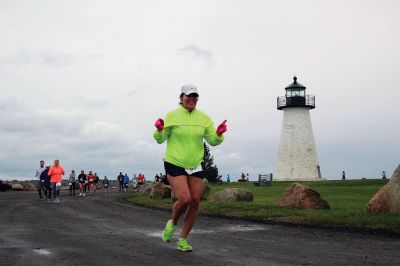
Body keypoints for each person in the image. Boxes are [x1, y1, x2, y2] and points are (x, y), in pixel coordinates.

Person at [153, 84, 227, 252]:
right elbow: (160, 138)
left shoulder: (204, 118)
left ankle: (183, 240)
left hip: (195, 164)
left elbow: (212, 141)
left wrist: (219, 134)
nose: (192, 99)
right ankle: (172, 224)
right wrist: (159, 130)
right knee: (185, 199)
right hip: (175, 162)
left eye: (195, 97)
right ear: (181, 98)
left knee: (194, 202)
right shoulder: (172, 115)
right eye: (188, 96)